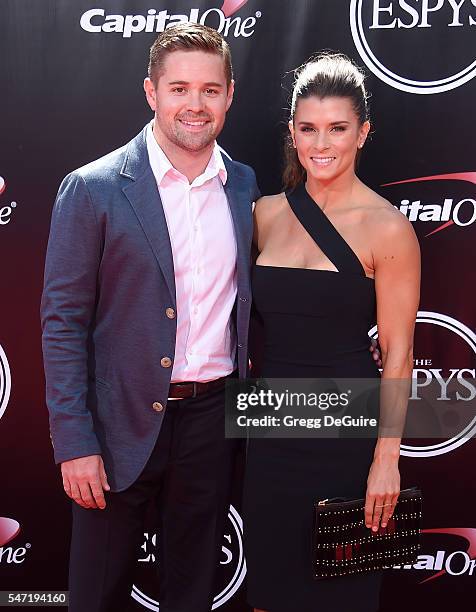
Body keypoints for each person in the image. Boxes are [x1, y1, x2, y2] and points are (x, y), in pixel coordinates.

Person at [40, 23, 260, 612]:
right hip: (115, 429)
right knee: (97, 593)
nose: (195, 104)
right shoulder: (94, 188)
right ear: (151, 93)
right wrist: (73, 442)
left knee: (193, 593)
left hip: (213, 424)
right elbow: (62, 322)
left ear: (230, 95)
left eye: (210, 90)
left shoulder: (242, 186)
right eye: (180, 88)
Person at [243, 53, 420, 612]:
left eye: (338, 129)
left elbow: (397, 354)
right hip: (270, 432)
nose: (322, 143)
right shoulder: (265, 214)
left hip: (346, 439)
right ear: (292, 132)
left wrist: (385, 460)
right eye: (308, 128)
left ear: (363, 133)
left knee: (340, 599)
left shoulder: (387, 227)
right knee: (269, 593)